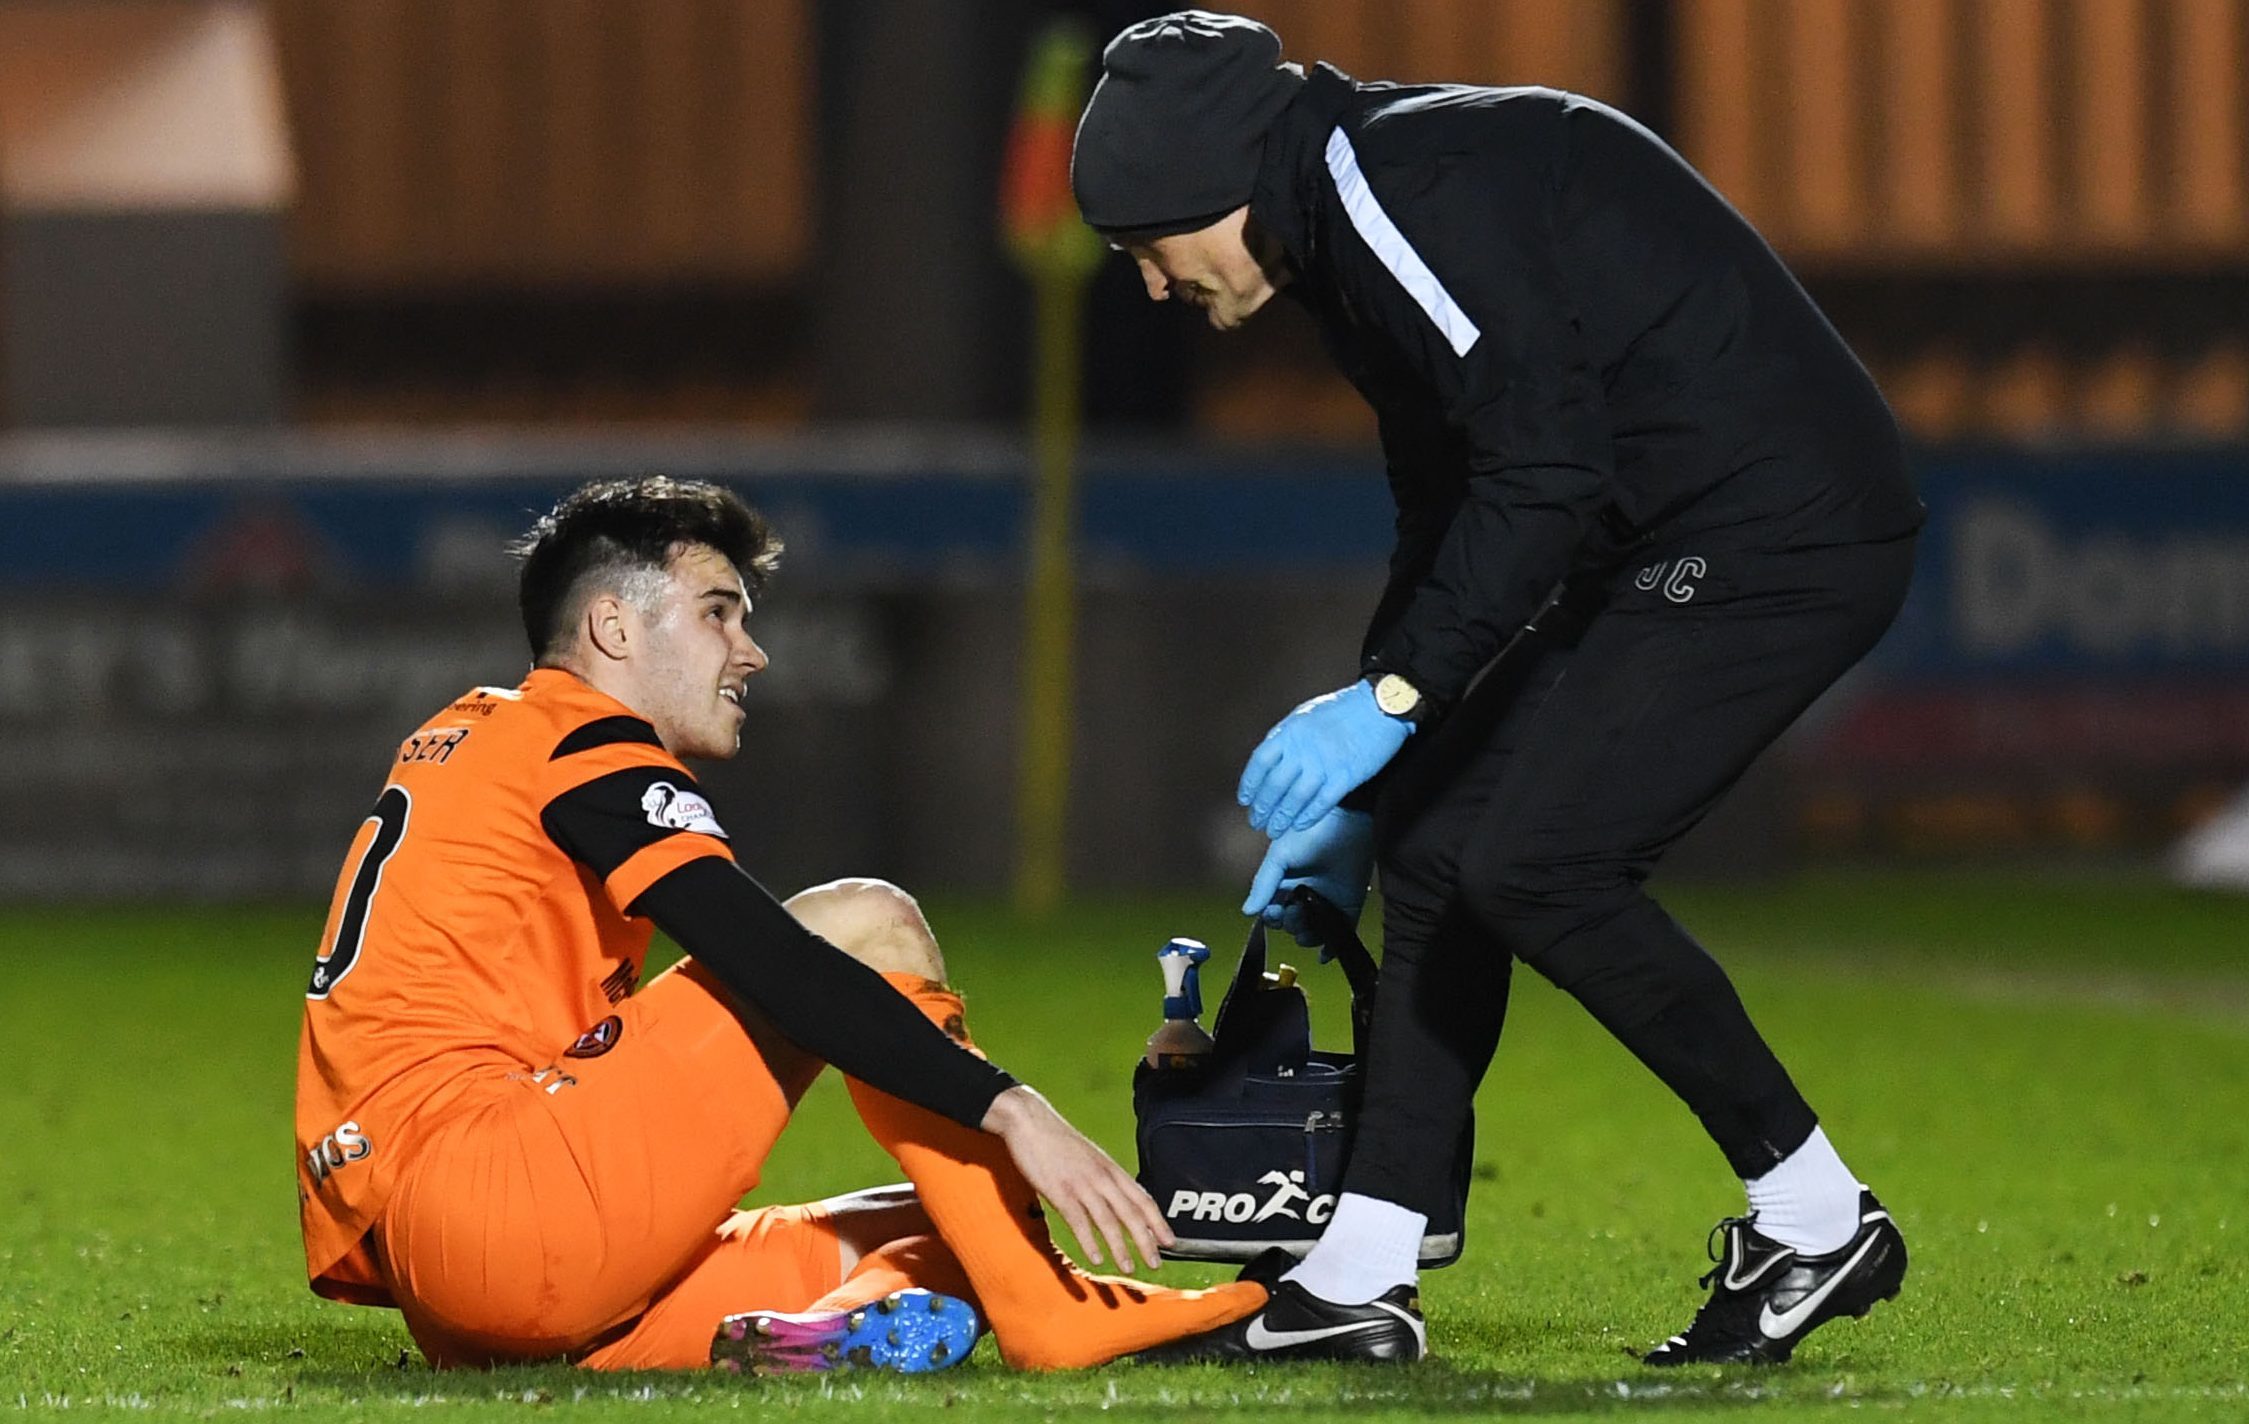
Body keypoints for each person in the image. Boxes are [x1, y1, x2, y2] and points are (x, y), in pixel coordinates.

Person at [1073, 12, 1920, 1367]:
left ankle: (1816, 1219)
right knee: (1436, 852)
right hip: (1668, 534)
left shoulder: (1390, 193)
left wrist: (1394, 702)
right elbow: (1447, 498)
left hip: (1779, 533)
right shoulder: (1337, 215)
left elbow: (1541, 472)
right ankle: (1358, 1271)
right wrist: (1383, 758)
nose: (1156, 289)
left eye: (1145, 252)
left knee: (1538, 868)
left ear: (1205, 188)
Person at [294, 476, 1264, 1374]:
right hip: (502, 1198)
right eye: (717, 612)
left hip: (457, 1278)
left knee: (957, 1223)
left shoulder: (472, 732)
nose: (748, 649)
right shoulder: (582, 736)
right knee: (866, 921)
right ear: (612, 627)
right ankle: (1054, 1318)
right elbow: (768, 957)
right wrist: (1007, 1103)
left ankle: (832, 1322)